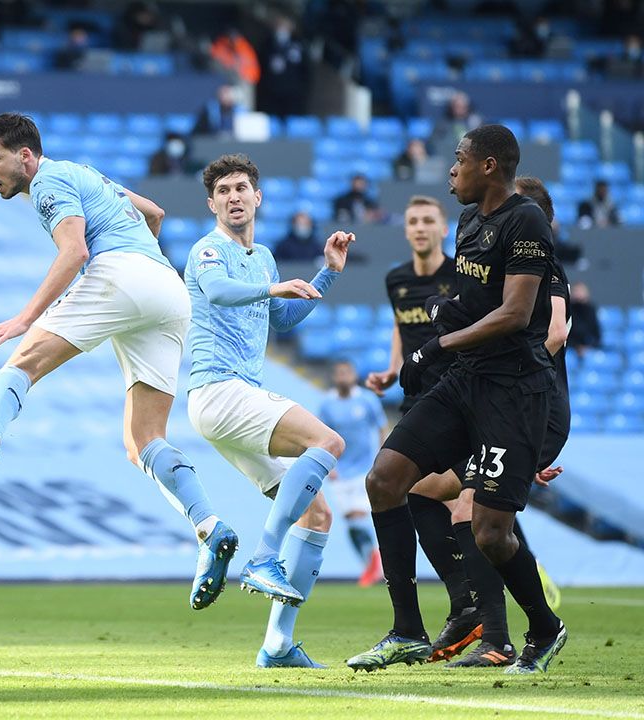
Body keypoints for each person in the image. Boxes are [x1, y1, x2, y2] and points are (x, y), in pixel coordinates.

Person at [0, 113, 241, 615]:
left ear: (25, 156)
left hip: (121, 275)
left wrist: (26, 318)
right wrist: (143, 268)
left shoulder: (47, 183)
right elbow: (154, 213)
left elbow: (75, 251)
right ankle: (209, 527)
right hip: (168, 290)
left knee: (19, 365)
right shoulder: (88, 174)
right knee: (144, 442)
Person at [348, 125, 567, 675]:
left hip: (513, 391)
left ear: (488, 165)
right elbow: (470, 300)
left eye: (459, 159)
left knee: (491, 532)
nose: (451, 170)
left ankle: (543, 627)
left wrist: (436, 344)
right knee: (385, 479)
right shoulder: (471, 221)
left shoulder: (526, 220)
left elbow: (516, 314)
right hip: (464, 380)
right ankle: (406, 630)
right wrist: (432, 340)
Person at [184, 153, 357, 668]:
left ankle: (277, 644)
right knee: (328, 441)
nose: (234, 197)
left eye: (242, 188)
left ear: (258, 197)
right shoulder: (208, 251)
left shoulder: (262, 257)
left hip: (238, 398)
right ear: (212, 203)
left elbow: (280, 318)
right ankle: (263, 555)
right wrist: (273, 286)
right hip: (219, 390)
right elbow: (219, 293)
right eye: (224, 191)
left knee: (318, 514)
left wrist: (326, 274)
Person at [431, 175, 572, 668]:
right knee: (438, 494)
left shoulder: (547, 272)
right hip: (499, 402)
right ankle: (487, 621)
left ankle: (500, 636)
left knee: (473, 510)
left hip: (530, 406)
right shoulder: (503, 265)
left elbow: (553, 332)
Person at [364, 195, 481, 665]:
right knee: (427, 497)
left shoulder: (459, 277)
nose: (419, 228)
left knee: (462, 505)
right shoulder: (397, 280)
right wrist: (393, 370)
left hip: (457, 403)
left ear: (442, 227)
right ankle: (473, 607)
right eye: (412, 220)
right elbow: (401, 327)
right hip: (416, 404)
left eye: (428, 220)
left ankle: (487, 608)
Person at [317, 359, 386, 586]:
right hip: (341, 472)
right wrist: (331, 466)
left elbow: (381, 427)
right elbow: (322, 435)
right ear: (335, 377)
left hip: (364, 469)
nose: (343, 376)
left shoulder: (366, 400)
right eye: (339, 373)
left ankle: (374, 560)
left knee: (358, 515)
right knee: (350, 521)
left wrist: (383, 458)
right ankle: (370, 563)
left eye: (347, 372)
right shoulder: (327, 404)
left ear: (354, 375)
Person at [258, 14, 309, 118]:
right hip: (272, 94)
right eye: (280, 25)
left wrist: (302, 89)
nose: (282, 29)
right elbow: (260, 68)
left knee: (293, 122)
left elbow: (306, 71)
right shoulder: (267, 44)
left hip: (293, 95)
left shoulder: (299, 44)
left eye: (285, 25)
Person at [567, 281, 602, 355]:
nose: (579, 294)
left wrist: (588, 347)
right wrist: (576, 347)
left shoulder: (591, 310)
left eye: (581, 291)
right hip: (570, 348)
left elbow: (596, 335)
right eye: (576, 291)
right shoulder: (567, 310)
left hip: (588, 348)